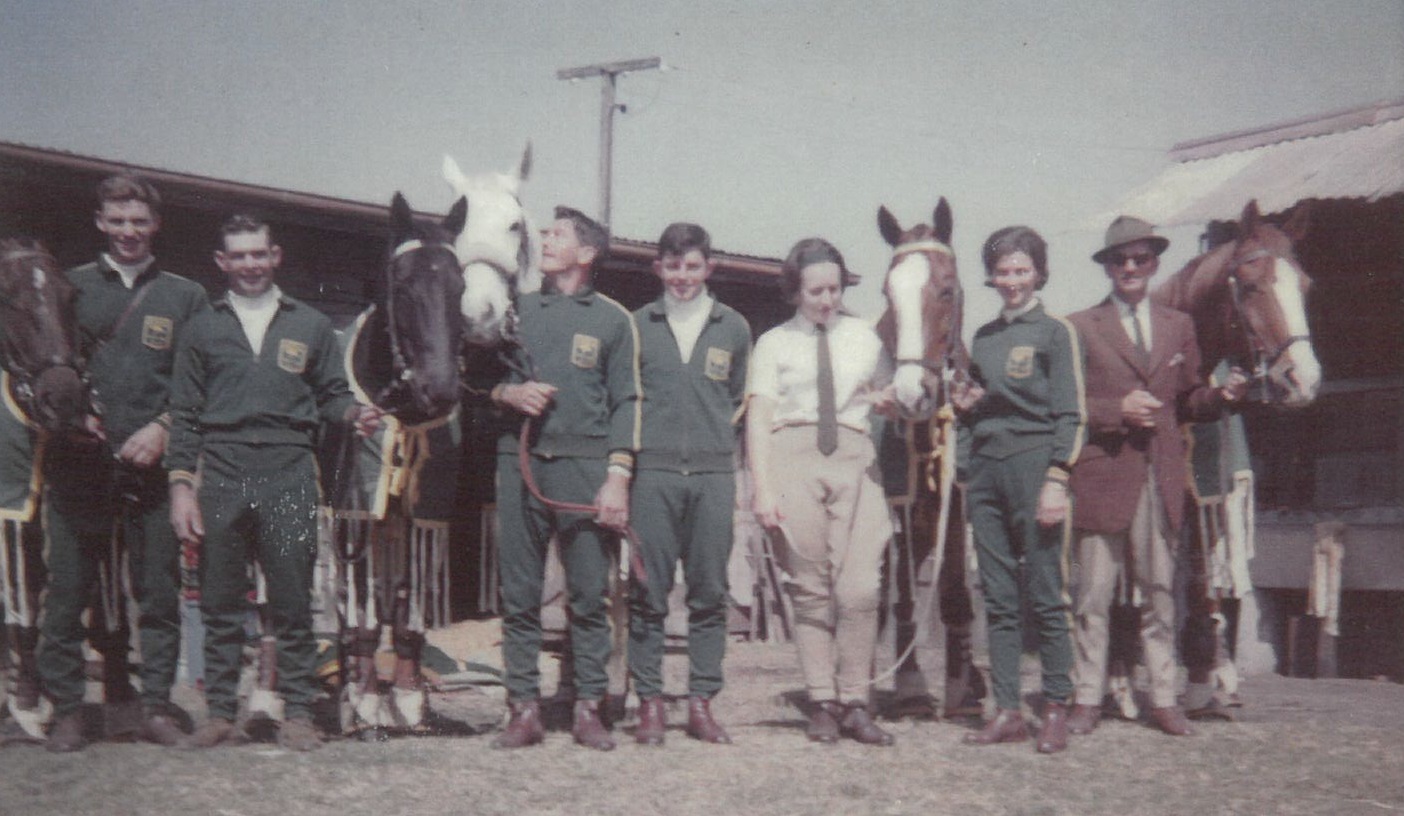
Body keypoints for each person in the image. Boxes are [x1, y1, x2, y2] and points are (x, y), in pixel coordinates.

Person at [166, 214, 380, 751]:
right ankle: (218, 711)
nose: (250, 265)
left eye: (258, 254)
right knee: (219, 600)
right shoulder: (202, 327)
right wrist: (181, 487)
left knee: (291, 599)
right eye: (238, 256)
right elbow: (185, 416)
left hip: (288, 471)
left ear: (275, 256)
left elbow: (332, 394)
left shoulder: (309, 324)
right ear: (222, 262)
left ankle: (300, 713)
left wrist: (354, 413)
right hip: (224, 472)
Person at [38, 173, 209, 752]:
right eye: (118, 220)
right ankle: (66, 709)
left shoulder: (186, 296)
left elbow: (198, 383)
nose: (129, 231)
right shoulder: (69, 287)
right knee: (67, 592)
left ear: (156, 225)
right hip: (78, 464)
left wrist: (164, 429)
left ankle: (155, 707)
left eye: (139, 221)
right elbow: (41, 371)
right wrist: (70, 418)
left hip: (152, 471)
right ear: (100, 223)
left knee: (158, 596)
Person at [1065, 216, 1248, 738]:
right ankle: (1086, 698)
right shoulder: (1081, 327)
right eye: (1119, 260)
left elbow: (1188, 400)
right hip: (1103, 476)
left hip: (1160, 478)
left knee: (1160, 593)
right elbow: (1067, 406)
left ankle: (1164, 699)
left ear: (1154, 264)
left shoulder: (1178, 326)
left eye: (1140, 259)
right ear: (1107, 267)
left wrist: (1222, 396)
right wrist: (1115, 410)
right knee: (1092, 595)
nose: (1130, 268)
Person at [487, 206, 640, 751]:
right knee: (521, 594)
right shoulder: (515, 310)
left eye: (558, 235)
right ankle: (523, 708)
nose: (546, 241)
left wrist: (617, 478)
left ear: (588, 252)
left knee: (587, 595)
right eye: (545, 234)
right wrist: (509, 394)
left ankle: (587, 707)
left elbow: (626, 403)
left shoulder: (612, 319)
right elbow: (481, 384)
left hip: (585, 468)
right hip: (520, 461)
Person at [746, 237, 897, 746]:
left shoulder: (866, 337)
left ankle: (857, 701)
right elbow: (760, 419)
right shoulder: (773, 343)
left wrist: (889, 400)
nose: (828, 299)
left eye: (835, 288)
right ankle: (822, 701)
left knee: (861, 586)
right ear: (795, 291)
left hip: (856, 460)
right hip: (794, 459)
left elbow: (893, 395)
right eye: (817, 290)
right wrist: (763, 488)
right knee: (809, 589)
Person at [952, 226, 1084, 754]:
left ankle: (1055, 705)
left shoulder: (1056, 332)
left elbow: (1072, 414)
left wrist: (1057, 477)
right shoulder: (982, 338)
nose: (1012, 281)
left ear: (1039, 273)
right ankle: (1007, 709)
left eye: (1021, 270)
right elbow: (972, 411)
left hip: (1035, 468)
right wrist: (966, 459)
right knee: (999, 598)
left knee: (1047, 594)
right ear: (991, 275)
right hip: (986, 472)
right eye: (1003, 271)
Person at [627, 223, 750, 746]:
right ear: (659, 269)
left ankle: (701, 702)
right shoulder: (635, 326)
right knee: (647, 593)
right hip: (651, 475)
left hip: (712, 475)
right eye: (673, 267)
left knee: (708, 592)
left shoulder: (734, 327)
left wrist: (713, 445)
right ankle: (650, 702)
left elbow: (739, 400)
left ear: (709, 268)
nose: (682, 278)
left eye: (693, 267)